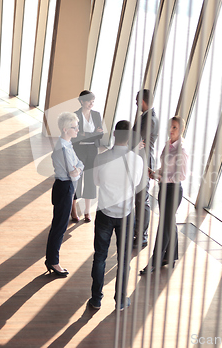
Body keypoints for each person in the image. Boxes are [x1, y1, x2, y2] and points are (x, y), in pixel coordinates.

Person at [88, 121, 143, 311]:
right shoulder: (137, 160)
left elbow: (96, 182)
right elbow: (136, 183)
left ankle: (96, 299)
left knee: (100, 257)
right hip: (126, 214)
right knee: (124, 259)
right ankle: (120, 300)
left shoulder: (100, 158)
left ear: (113, 135)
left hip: (104, 212)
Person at [139, 116, 188, 275]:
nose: (170, 130)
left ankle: (155, 261)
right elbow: (164, 167)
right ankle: (169, 257)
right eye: (170, 127)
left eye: (174, 127)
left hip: (173, 191)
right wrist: (155, 173)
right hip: (163, 189)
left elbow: (181, 175)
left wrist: (162, 177)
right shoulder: (168, 145)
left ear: (181, 130)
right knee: (169, 222)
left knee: (164, 226)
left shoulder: (182, 150)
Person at [45, 112, 84, 277]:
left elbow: (79, 165)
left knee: (59, 225)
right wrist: (78, 169)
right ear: (65, 129)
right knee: (60, 227)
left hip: (65, 187)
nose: (78, 130)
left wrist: (78, 168)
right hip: (65, 188)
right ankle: (53, 261)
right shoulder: (64, 148)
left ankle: (51, 259)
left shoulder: (67, 144)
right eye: (75, 127)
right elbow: (74, 173)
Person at [131, 89, 159, 249]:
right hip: (139, 161)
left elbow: (135, 140)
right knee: (139, 198)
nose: (136, 103)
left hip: (144, 163)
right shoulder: (146, 117)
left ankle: (142, 235)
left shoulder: (150, 120)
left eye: (137, 100)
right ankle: (137, 231)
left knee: (142, 200)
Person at [71, 90, 104, 223]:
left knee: (90, 179)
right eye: (89, 101)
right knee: (77, 179)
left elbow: (100, 134)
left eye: (93, 101)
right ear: (82, 101)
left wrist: (86, 134)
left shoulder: (96, 115)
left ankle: (87, 211)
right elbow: (76, 134)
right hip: (79, 149)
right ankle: (73, 209)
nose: (92, 103)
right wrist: (91, 133)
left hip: (92, 150)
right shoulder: (75, 115)